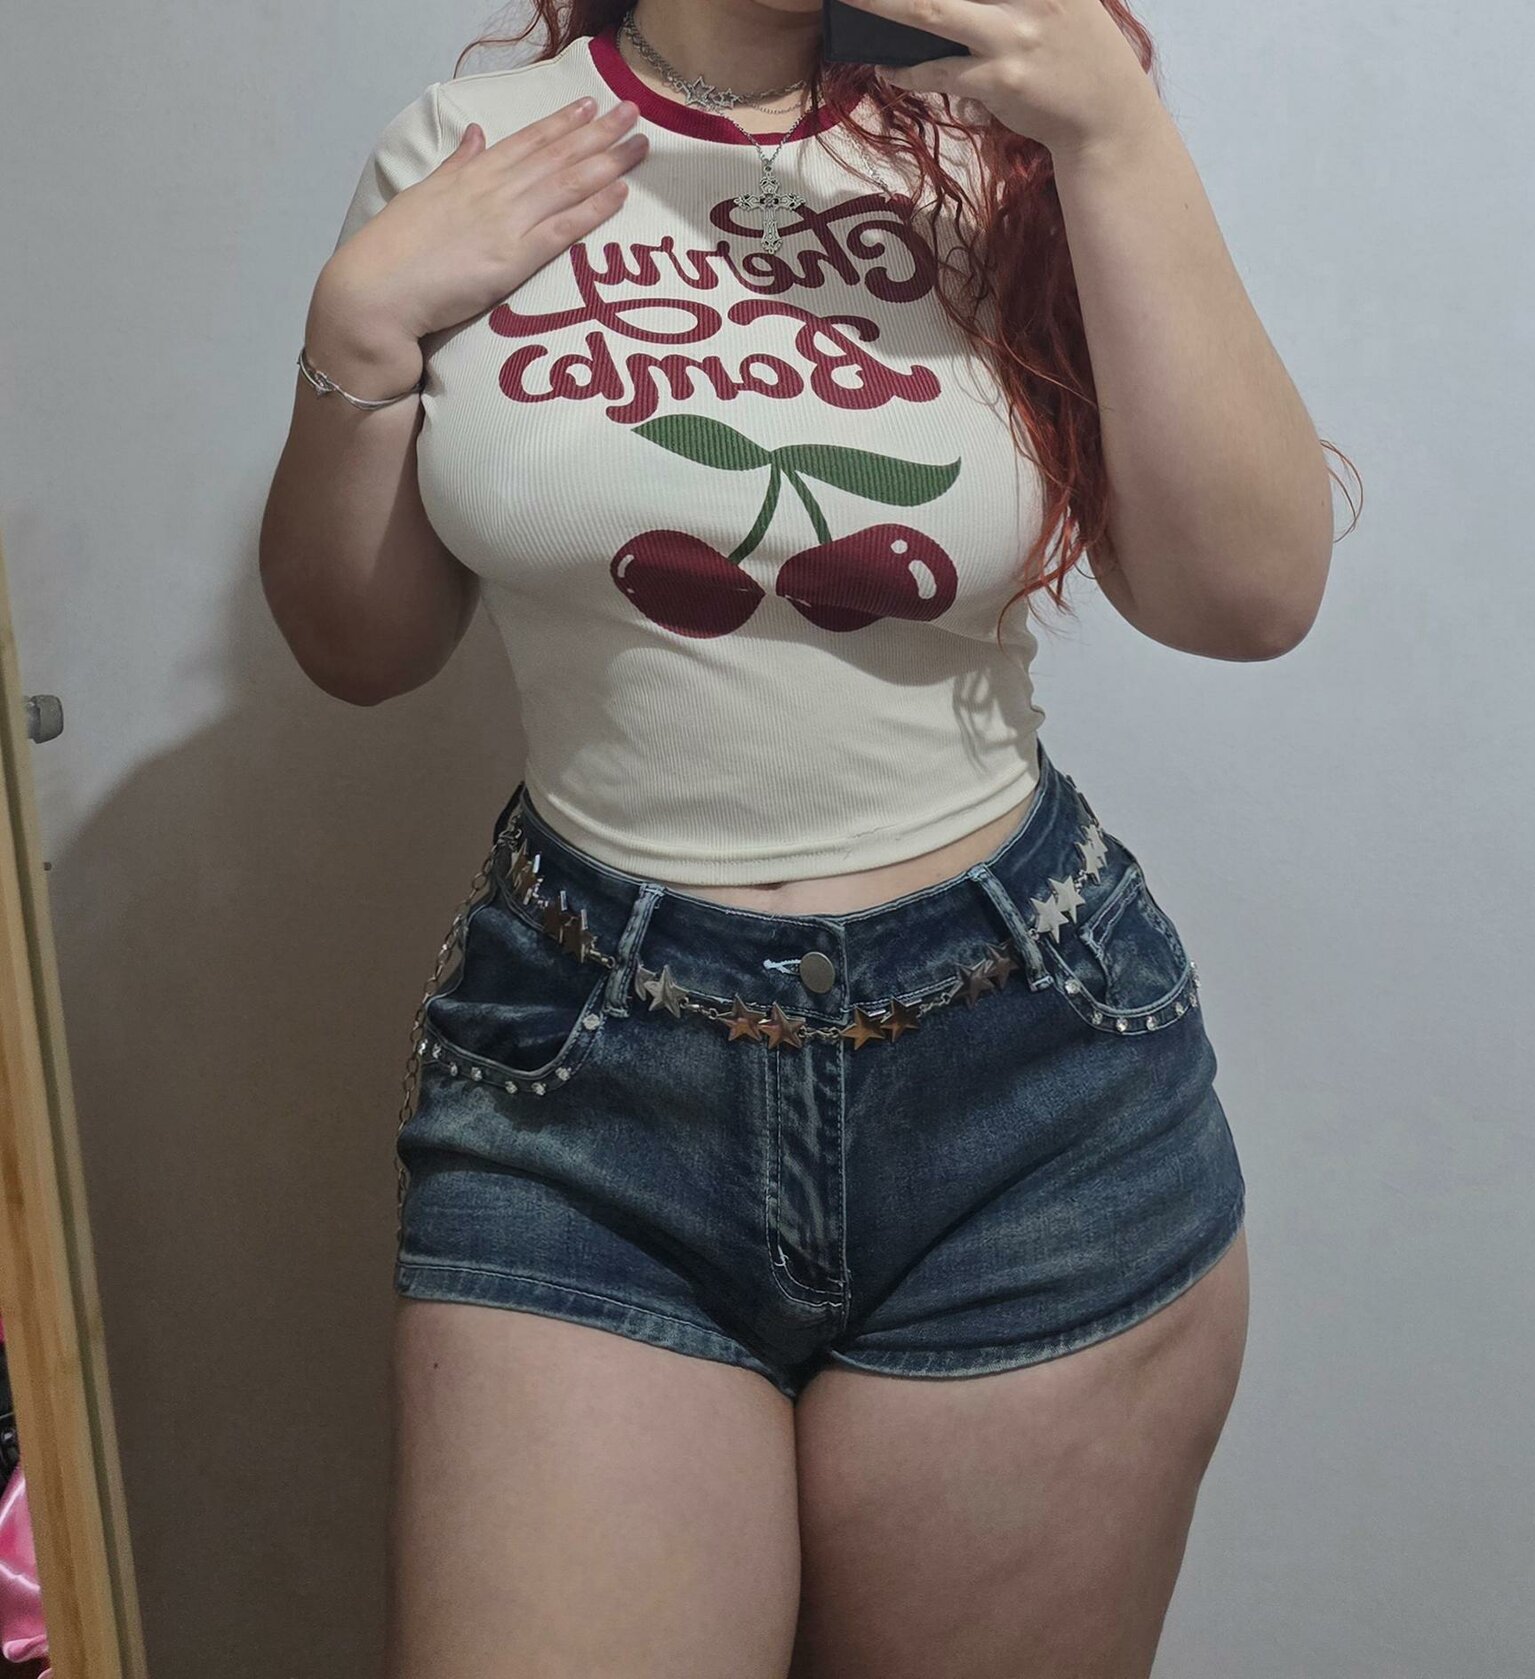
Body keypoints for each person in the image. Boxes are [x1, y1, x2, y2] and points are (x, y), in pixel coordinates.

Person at [258, 0, 1337, 1672]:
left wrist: (1116, 135)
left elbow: (1247, 596)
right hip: (587, 1079)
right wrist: (359, 334)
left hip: (1027, 1080)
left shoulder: (1008, 138)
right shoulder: (476, 151)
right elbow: (361, 646)